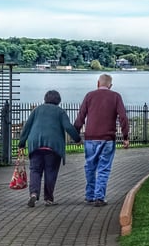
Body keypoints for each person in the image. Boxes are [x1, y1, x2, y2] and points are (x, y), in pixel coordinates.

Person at [74, 73, 129, 207]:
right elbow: (123, 117)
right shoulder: (116, 96)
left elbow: (81, 116)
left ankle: (89, 195)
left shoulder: (89, 96)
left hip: (91, 137)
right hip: (107, 138)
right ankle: (99, 197)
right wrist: (125, 137)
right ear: (110, 85)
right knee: (104, 168)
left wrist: (76, 133)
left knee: (90, 167)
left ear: (98, 83)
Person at [18, 90, 81, 207]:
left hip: (35, 145)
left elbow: (26, 127)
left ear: (45, 99)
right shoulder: (60, 112)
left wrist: (21, 144)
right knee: (50, 172)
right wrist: (77, 139)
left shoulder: (36, 110)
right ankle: (48, 199)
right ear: (58, 100)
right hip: (53, 147)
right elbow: (68, 126)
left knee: (35, 171)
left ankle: (33, 194)